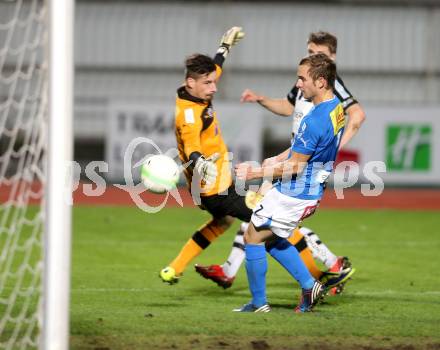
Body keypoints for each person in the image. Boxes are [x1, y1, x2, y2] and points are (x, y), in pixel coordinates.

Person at [159, 28, 352, 292]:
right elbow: (192, 146)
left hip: (212, 188)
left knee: (225, 222)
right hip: (215, 188)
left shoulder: (193, 89)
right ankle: (319, 278)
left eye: (214, 82)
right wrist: (199, 161)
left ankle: (176, 268)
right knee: (273, 223)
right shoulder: (189, 116)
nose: (214, 88)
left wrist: (224, 48)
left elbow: (214, 70)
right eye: (208, 84)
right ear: (191, 83)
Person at [234, 53, 346, 313]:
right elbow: (304, 151)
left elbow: (297, 165)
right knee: (272, 239)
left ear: (320, 82)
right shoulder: (336, 108)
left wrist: (255, 173)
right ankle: (309, 286)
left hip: (294, 192)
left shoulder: (314, 120)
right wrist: (278, 158)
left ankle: (260, 303)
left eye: (302, 79)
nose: (297, 84)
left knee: (252, 237)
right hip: (311, 189)